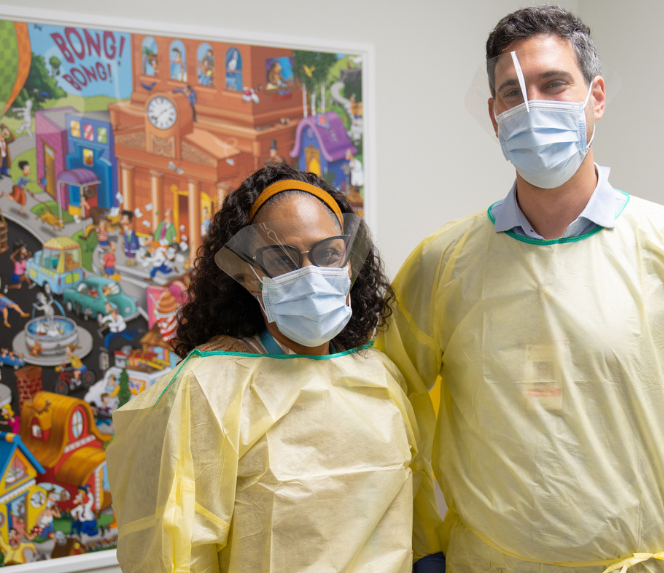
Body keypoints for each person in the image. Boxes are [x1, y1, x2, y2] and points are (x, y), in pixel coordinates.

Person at [377, 6, 664, 573]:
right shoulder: (444, 265)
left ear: (596, 97)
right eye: (513, 93)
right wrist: (423, 543)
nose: (533, 108)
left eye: (554, 84)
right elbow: (385, 408)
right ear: (494, 115)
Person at [107, 164, 438, 573]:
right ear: (248, 276)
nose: (311, 275)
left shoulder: (380, 374)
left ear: (349, 262)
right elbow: (173, 552)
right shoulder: (207, 390)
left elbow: (415, 512)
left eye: (328, 254)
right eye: (281, 260)